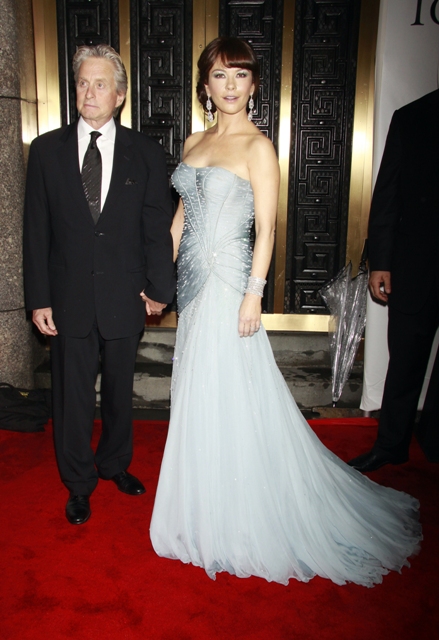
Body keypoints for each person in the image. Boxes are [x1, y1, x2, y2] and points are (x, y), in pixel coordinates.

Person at [149, 37, 421, 587]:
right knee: (198, 387)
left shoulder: (258, 147)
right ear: (205, 85)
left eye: (240, 75)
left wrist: (254, 293)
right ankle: (206, 501)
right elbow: (180, 220)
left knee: (233, 390)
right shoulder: (193, 142)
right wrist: (156, 280)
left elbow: (268, 229)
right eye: (220, 75)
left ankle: (242, 510)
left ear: (253, 85)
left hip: (230, 287)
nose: (230, 86)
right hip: (192, 289)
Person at [23, 45, 175, 525]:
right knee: (70, 397)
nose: (89, 93)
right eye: (83, 83)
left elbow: (156, 226)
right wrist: (38, 298)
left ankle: (114, 464)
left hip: (125, 294)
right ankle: (78, 482)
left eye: (101, 84)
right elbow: (35, 231)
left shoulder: (145, 152)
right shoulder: (45, 151)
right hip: (66, 297)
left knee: (118, 391)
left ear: (120, 95)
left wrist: (161, 287)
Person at [349, 89, 439, 473]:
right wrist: (380, 263)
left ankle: (433, 442)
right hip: (415, 265)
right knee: (404, 363)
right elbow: (387, 195)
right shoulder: (413, 116)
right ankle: (391, 445)